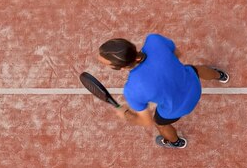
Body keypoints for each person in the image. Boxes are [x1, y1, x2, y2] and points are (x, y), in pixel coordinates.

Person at [97, 33, 228, 149]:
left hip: (178, 109)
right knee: (195, 69)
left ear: (123, 67)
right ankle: (220, 75)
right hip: (194, 85)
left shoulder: (133, 90)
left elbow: (146, 122)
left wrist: (125, 114)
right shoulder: (154, 40)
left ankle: (176, 142)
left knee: (160, 124)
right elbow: (177, 55)